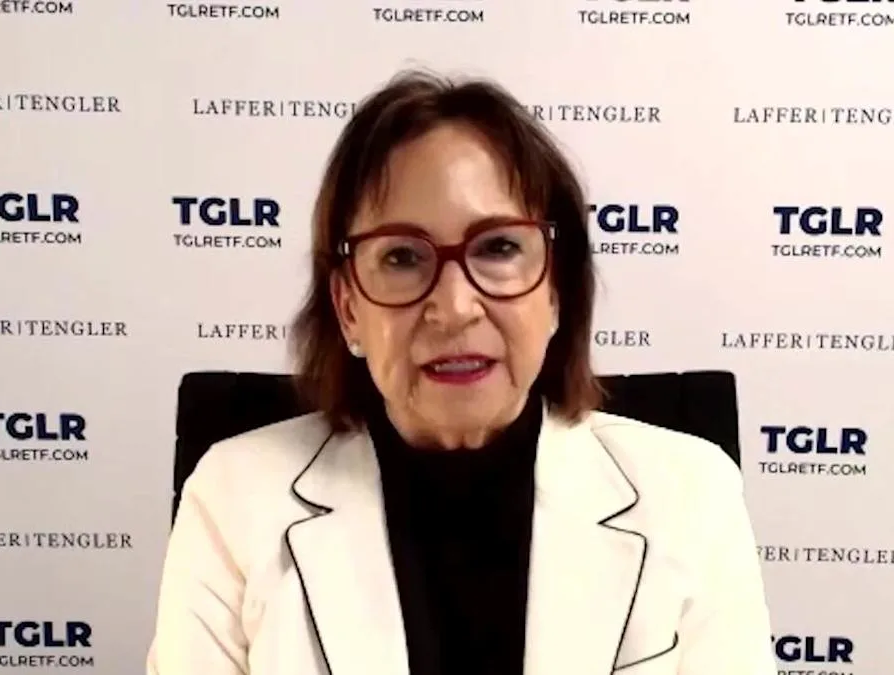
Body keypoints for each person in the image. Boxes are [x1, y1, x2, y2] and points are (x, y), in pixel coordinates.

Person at [146, 69, 776, 675]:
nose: (453, 307)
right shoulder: (233, 499)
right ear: (348, 308)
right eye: (402, 257)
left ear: (556, 289)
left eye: (498, 247)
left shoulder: (692, 496)